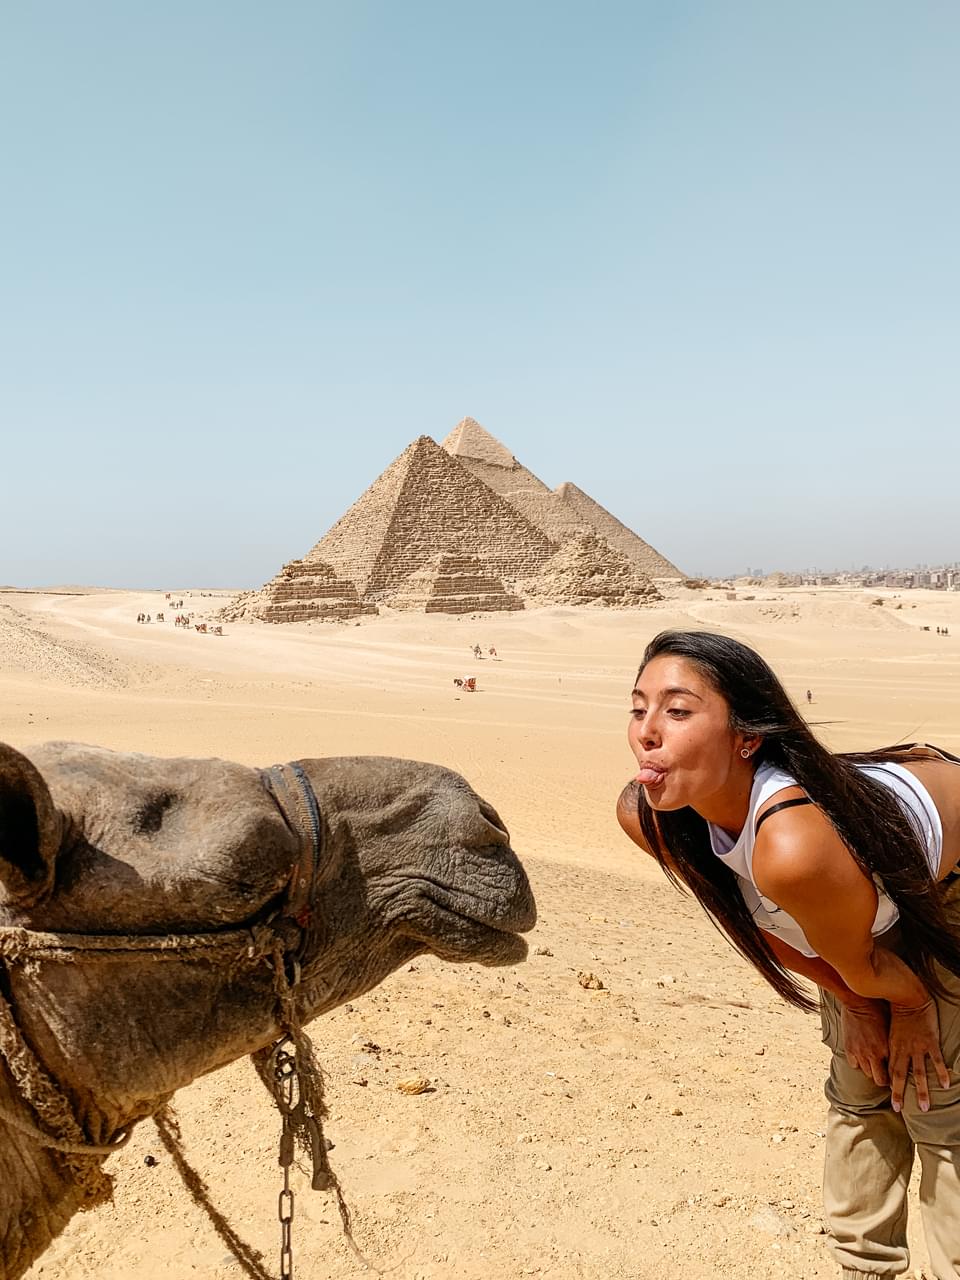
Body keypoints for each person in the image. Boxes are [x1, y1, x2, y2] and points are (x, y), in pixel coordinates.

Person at [616, 630, 960, 1279]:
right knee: (862, 1090)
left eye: (678, 710)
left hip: (946, 882)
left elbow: (862, 959)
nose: (647, 732)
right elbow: (756, 916)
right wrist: (858, 1003)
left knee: (938, 1101)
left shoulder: (795, 847)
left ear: (748, 737)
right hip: (855, 904)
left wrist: (912, 1004)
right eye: (639, 708)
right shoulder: (651, 813)